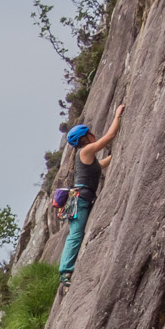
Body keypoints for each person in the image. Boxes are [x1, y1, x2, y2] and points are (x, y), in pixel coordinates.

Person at [57, 103, 124, 290]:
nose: (93, 134)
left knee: (77, 233)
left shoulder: (86, 156)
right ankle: (65, 272)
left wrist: (115, 156)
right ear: (85, 138)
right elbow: (110, 137)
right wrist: (117, 116)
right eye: (90, 133)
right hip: (79, 200)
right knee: (76, 234)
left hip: (82, 198)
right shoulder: (85, 151)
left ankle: (66, 270)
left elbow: (97, 167)